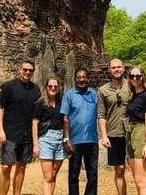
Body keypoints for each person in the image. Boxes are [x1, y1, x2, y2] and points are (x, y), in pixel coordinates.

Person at [0, 59, 40, 195]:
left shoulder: (36, 90)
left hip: (26, 135)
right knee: (5, 167)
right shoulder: (9, 86)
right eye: (25, 69)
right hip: (10, 133)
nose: (27, 72)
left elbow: (36, 116)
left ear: (33, 72)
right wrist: (0, 130)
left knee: (21, 167)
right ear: (20, 70)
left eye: (30, 70)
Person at [61, 67, 98, 195]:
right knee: (73, 175)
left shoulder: (94, 94)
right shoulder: (69, 94)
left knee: (92, 174)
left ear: (88, 78)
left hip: (92, 140)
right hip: (75, 141)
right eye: (79, 77)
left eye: (84, 77)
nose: (81, 80)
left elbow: (101, 115)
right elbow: (65, 118)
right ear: (75, 79)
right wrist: (66, 139)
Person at [97, 58, 131, 195]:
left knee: (137, 168)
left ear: (123, 68)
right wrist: (104, 136)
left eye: (119, 67)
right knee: (120, 169)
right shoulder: (102, 90)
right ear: (109, 70)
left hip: (131, 132)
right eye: (114, 67)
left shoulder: (131, 85)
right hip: (114, 133)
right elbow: (101, 114)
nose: (116, 70)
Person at [31, 76, 64, 195]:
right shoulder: (40, 103)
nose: (53, 88)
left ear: (59, 88)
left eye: (55, 86)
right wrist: (35, 145)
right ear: (46, 88)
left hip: (60, 139)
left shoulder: (62, 102)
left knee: (54, 174)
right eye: (50, 86)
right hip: (46, 139)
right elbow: (34, 124)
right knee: (48, 177)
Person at [126, 66, 146, 195]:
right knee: (139, 179)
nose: (135, 78)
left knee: (140, 181)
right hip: (130, 134)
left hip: (141, 133)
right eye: (132, 76)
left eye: (138, 76)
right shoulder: (132, 96)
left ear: (143, 77)